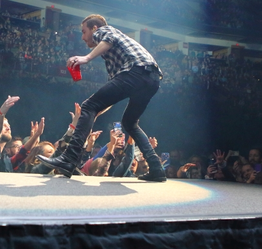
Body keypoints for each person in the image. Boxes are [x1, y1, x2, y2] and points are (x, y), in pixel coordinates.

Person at [38, 14, 166, 181]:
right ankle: (156, 168)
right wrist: (93, 114)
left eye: (84, 32)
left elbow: (109, 39)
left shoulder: (104, 31)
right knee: (129, 123)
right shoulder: (113, 58)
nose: (83, 38)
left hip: (136, 72)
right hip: (152, 79)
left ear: (94, 28)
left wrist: (86, 58)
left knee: (88, 105)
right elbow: (110, 95)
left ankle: (69, 159)